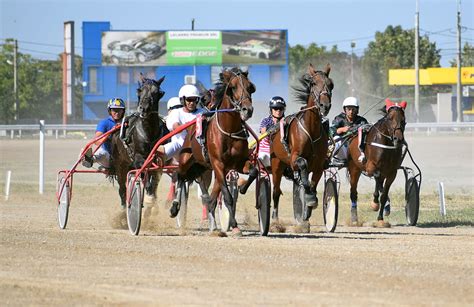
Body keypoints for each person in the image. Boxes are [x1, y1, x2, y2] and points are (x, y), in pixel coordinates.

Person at [157, 84, 204, 161]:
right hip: (180, 146)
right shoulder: (176, 113)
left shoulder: (203, 113)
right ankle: (157, 161)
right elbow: (176, 126)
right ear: (183, 100)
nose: (192, 103)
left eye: (194, 100)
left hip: (198, 146)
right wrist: (188, 126)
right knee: (163, 150)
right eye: (189, 100)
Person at [82, 98, 126, 169]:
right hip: (109, 157)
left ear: (123, 111)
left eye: (119, 110)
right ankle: (89, 159)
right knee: (103, 153)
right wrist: (108, 137)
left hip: (124, 157)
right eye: (114, 110)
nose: (117, 112)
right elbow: (96, 140)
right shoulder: (104, 123)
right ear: (110, 111)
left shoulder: (127, 123)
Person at [330, 96, 369, 166]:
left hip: (357, 152)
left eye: (353, 109)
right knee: (335, 139)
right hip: (343, 151)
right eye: (349, 109)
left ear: (357, 110)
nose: (351, 112)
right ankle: (331, 158)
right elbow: (330, 131)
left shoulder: (362, 121)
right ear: (345, 110)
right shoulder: (339, 118)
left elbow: (368, 130)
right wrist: (341, 129)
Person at [259, 96, 286, 168]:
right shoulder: (266, 120)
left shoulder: (286, 121)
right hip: (266, 148)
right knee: (262, 157)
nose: (278, 111)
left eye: (281, 108)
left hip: (282, 148)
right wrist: (274, 129)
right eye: (276, 108)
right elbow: (263, 132)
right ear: (271, 109)